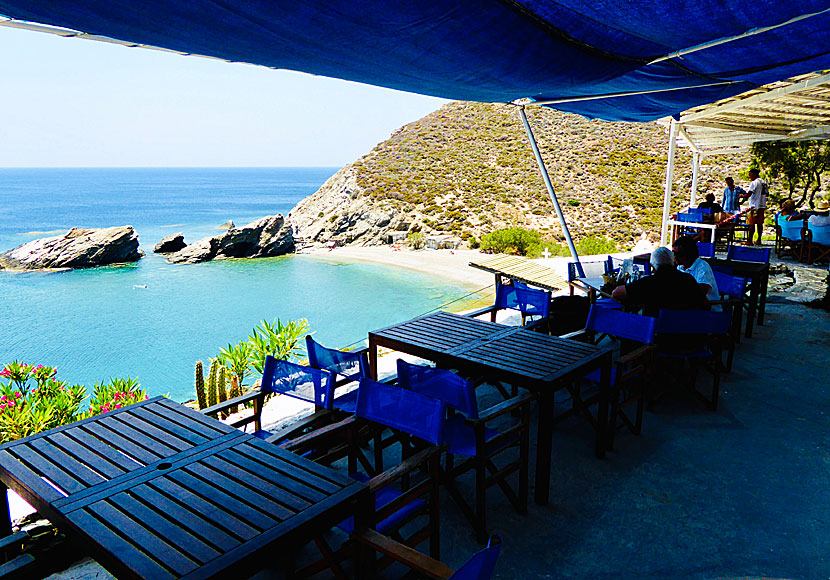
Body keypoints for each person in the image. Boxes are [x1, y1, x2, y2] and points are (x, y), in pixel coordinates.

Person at [611, 247, 704, 318]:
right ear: (673, 262)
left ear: (653, 266)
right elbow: (704, 303)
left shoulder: (649, 283)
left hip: (657, 336)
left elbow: (616, 293)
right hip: (689, 334)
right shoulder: (689, 279)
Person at [671, 236, 720, 311]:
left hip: (709, 311)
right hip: (691, 308)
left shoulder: (702, 267)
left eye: (679, 254)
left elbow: (700, 294)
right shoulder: (680, 267)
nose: (675, 257)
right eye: (673, 253)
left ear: (689, 254)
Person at [740, 168, 768, 245]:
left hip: (754, 206)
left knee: (751, 224)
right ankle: (759, 239)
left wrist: (742, 196)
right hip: (762, 205)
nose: (750, 177)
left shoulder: (754, 183)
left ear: (754, 174)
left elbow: (749, 194)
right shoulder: (764, 182)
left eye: (751, 175)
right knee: (759, 224)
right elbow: (767, 193)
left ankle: (749, 240)